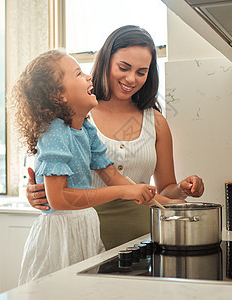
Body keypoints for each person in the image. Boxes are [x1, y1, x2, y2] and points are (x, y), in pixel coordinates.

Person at [25, 25, 205, 250]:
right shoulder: (75, 115)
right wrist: (34, 194)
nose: (131, 79)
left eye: (141, 72)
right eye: (124, 67)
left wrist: (178, 193)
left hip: (142, 238)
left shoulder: (155, 121)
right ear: (106, 61)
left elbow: (157, 187)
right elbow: (52, 184)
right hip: (82, 237)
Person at [11, 49, 174, 284]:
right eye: (79, 74)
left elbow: (111, 176)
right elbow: (58, 199)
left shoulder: (85, 129)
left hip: (86, 226)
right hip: (62, 235)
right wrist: (124, 191)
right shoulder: (55, 132)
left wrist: (158, 199)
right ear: (58, 95)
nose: (88, 77)